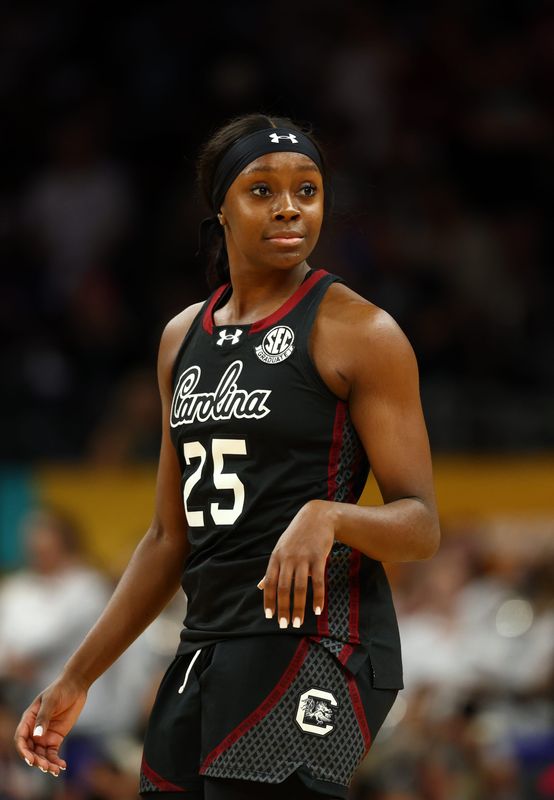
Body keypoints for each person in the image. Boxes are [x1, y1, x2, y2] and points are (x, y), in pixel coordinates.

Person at [14, 112, 440, 799]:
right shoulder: (180, 337)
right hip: (209, 639)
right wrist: (77, 675)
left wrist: (328, 516)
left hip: (321, 639)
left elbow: (421, 525)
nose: (289, 208)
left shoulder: (360, 331)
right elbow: (165, 538)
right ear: (220, 206)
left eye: (307, 190)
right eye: (262, 190)